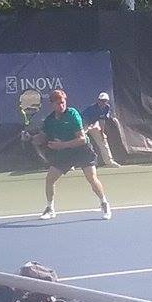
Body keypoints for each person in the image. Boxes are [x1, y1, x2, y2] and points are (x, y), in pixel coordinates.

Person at [34, 89, 112, 220]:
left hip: (82, 150)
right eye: (58, 103)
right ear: (52, 104)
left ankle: (104, 203)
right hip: (65, 153)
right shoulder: (49, 120)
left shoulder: (72, 114)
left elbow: (81, 139)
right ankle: (50, 208)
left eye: (63, 102)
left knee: (92, 179)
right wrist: (30, 138)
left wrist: (61, 145)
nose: (61, 105)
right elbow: (41, 137)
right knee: (49, 179)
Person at [80, 92, 121, 168]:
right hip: (83, 124)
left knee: (103, 140)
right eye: (101, 100)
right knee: (79, 142)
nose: (103, 102)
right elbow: (83, 121)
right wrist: (83, 131)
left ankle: (109, 162)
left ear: (107, 101)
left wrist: (102, 133)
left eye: (105, 101)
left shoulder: (106, 108)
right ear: (98, 100)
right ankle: (70, 164)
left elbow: (102, 120)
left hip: (94, 124)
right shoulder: (91, 109)